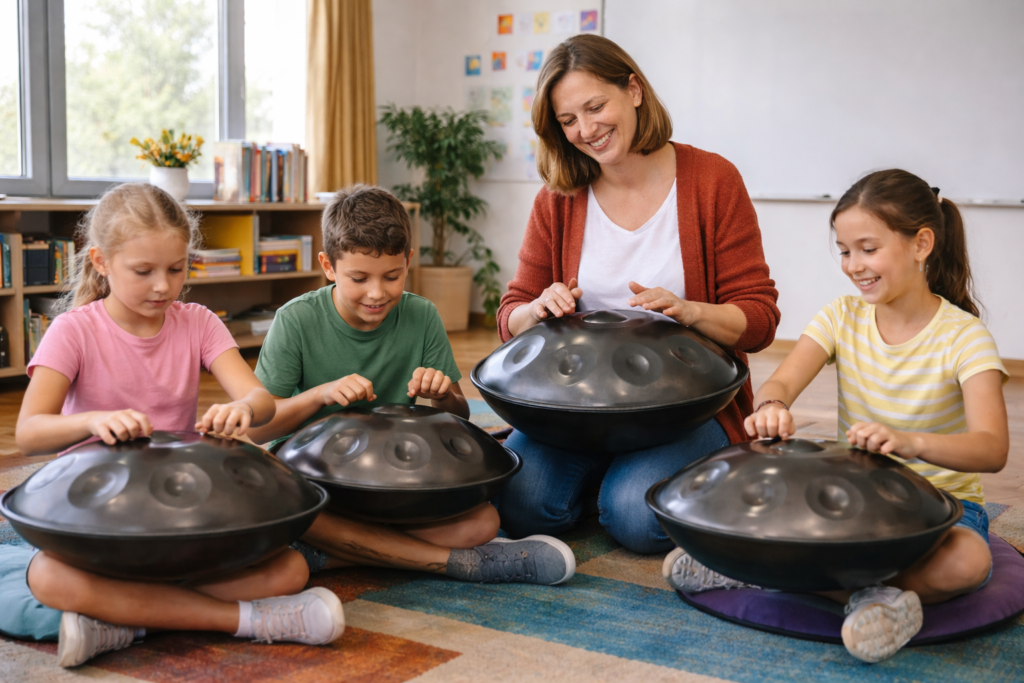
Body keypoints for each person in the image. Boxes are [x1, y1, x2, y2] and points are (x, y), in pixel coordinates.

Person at [664, 169, 1010, 663]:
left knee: (970, 562)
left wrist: (910, 441)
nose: (853, 265)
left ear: (921, 244)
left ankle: (777, 578)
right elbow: (780, 381)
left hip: (942, 506)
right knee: (775, 501)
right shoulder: (841, 316)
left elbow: (991, 448)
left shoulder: (965, 337)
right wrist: (772, 407)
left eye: (868, 249)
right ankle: (871, 595)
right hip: (860, 500)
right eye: (845, 250)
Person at [5, 183, 345, 668]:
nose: (163, 286)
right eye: (143, 271)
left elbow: (260, 400)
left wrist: (244, 410)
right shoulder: (73, 331)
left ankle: (122, 619)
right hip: (101, 519)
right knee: (46, 578)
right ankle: (248, 621)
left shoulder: (199, 322)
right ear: (101, 261)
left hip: (179, 516)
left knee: (289, 567)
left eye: (176, 268)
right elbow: (29, 433)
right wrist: (94, 420)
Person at [495, 34, 780, 554]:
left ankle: (618, 482)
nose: (586, 130)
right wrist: (536, 310)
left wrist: (691, 311)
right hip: (574, 408)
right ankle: (604, 473)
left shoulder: (713, 180)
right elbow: (510, 313)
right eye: (568, 120)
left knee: (633, 518)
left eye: (595, 106)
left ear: (634, 90)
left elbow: (759, 319)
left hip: (683, 408)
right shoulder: (557, 198)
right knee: (518, 506)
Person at [246, 184, 574, 586]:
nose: (377, 293)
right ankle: (458, 564)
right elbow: (259, 430)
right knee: (277, 499)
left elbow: (459, 417)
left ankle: (333, 554)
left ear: (408, 262)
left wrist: (440, 396)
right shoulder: (295, 320)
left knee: (482, 522)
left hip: (396, 484)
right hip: (317, 484)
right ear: (328, 266)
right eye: (359, 277)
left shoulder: (422, 315)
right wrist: (320, 395)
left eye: (392, 276)